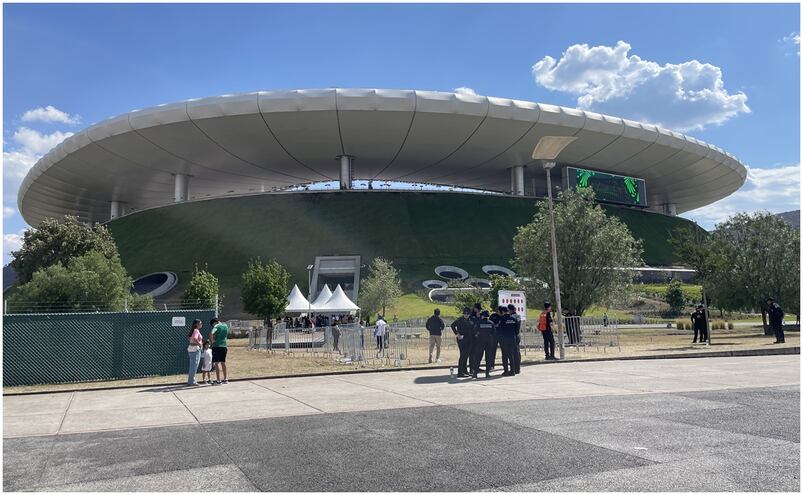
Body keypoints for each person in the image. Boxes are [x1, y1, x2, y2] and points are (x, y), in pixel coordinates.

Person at [450, 308, 477, 377]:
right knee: (463, 356)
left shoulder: (471, 320)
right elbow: (452, 325)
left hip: (470, 339)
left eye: (467, 314)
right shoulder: (460, 320)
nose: (466, 315)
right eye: (465, 314)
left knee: (466, 356)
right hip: (462, 339)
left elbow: (473, 328)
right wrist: (457, 334)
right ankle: (460, 372)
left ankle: (465, 371)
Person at [474, 311, 497, 378]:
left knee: (478, 358)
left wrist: (478, 336)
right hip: (489, 342)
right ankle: (487, 373)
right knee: (488, 358)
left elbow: (475, 332)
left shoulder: (479, 322)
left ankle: (475, 373)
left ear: (483, 316)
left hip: (480, 342)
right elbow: (494, 333)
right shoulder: (491, 323)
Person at [497, 306, 518, 375]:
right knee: (511, 355)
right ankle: (512, 371)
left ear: (502, 312)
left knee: (505, 355)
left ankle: (506, 371)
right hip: (512, 339)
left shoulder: (502, 319)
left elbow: (499, 330)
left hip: (504, 340)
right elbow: (517, 330)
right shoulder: (514, 319)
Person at [210, 318, 229, 384]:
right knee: (223, 362)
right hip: (224, 346)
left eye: (212, 325)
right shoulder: (225, 326)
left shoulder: (216, 326)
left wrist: (212, 341)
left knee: (216, 363)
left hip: (217, 346)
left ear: (214, 323)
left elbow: (211, 333)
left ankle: (218, 380)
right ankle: (225, 379)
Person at [186, 319, 203, 386]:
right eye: (200, 323)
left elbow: (189, 338)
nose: (201, 324)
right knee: (194, 366)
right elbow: (195, 339)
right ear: (196, 324)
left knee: (192, 366)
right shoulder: (196, 330)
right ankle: (191, 381)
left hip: (191, 349)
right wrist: (199, 344)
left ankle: (191, 380)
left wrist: (193, 343)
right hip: (195, 349)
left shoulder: (193, 330)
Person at [488, 306, 505, 371]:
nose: (497, 311)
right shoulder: (493, 316)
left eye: (498, 310)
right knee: (492, 351)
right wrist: (495, 325)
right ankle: (491, 365)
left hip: (502, 336)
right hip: (494, 336)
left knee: (504, 351)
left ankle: (505, 365)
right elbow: (490, 323)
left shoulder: (503, 316)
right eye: (496, 310)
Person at [507, 304, 522, 374]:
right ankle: (517, 369)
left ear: (510, 310)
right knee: (517, 353)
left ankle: (513, 369)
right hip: (518, 335)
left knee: (512, 353)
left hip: (512, 336)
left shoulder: (511, 317)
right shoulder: (518, 316)